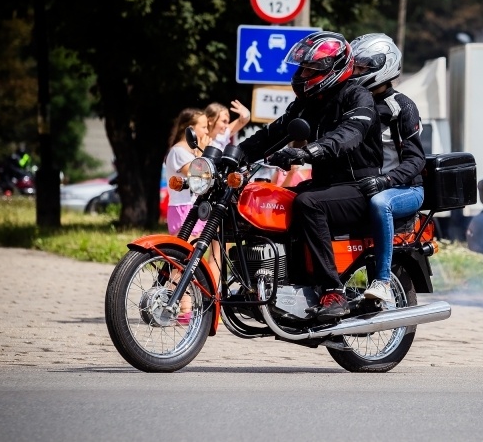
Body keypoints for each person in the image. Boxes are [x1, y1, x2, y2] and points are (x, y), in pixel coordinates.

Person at [239, 31, 383, 322]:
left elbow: (347, 136)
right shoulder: (309, 103)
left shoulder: (359, 97)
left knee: (308, 203)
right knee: (274, 197)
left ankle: (333, 291)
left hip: (358, 186)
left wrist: (309, 152)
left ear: (335, 68)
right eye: (302, 68)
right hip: (327, 184)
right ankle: (279, 282)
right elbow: (273, 133)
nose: (303, 74)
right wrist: (231, 155)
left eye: (311, 69)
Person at [347, 33, 425, 307]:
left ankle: (382, 282)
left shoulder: (401, 107)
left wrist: (386, 181)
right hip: (368, 184)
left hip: (405, 189)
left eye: (363, 67)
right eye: (355, 66)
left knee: (381, 203)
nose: (356, 72)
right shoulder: (355, 102)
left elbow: (416, 160)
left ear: (384, 66)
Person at [163, 108, 211, 324]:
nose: (206, 130)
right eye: (203, 126)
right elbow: (197, 174)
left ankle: (183, 308)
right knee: (183, 262)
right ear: (190, 129)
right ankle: (182, 309)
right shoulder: (179, 151)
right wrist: (205, 153)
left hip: (190, 209)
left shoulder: (189, 152)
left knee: (190, 262)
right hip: (182, 210)